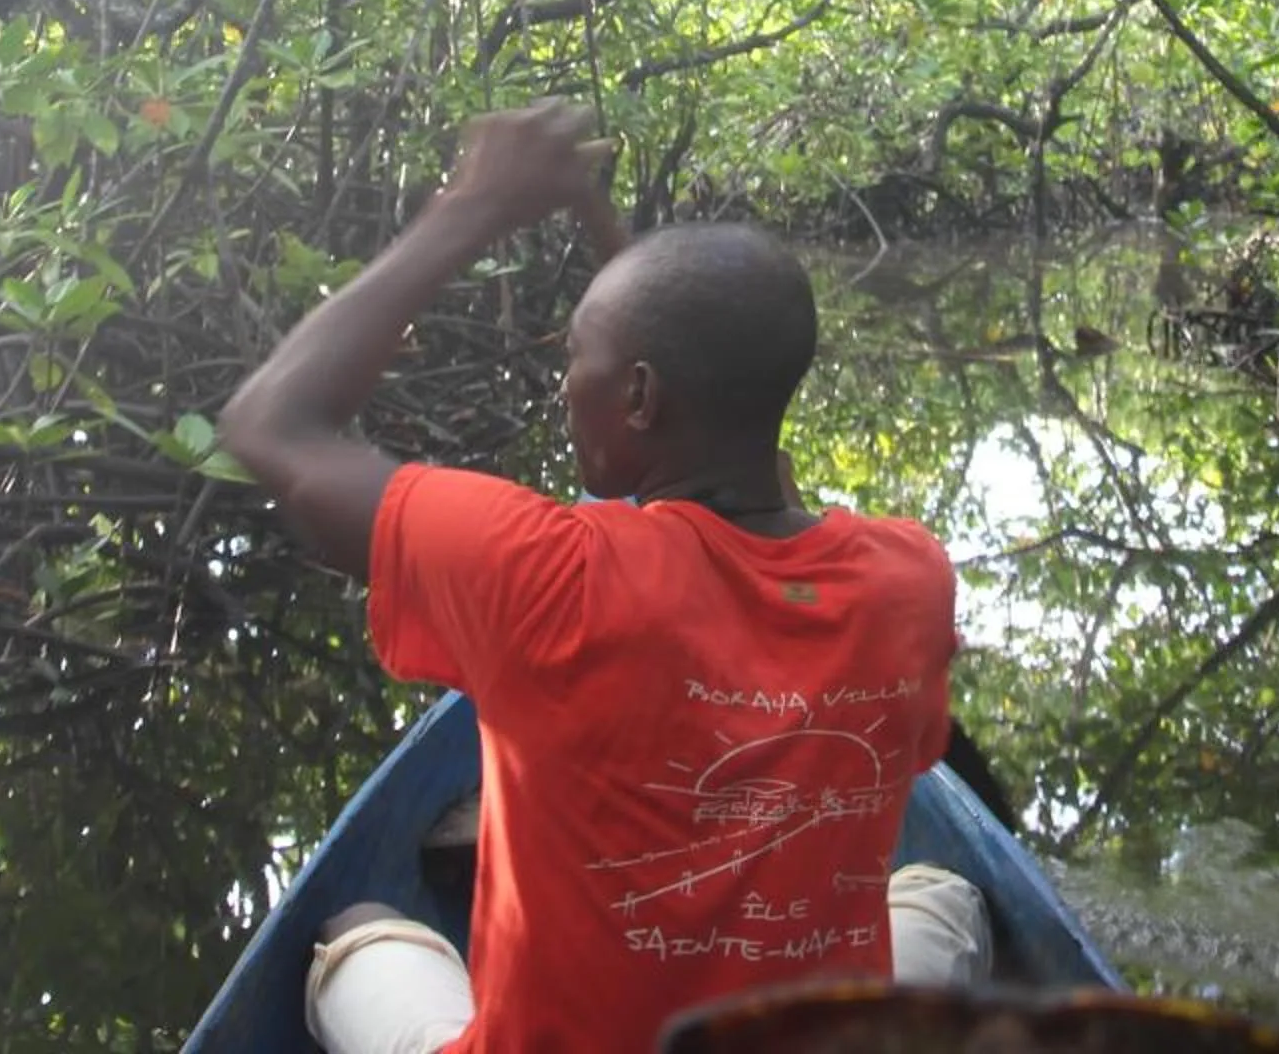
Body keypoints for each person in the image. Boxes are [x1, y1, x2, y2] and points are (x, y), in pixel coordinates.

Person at [218, 103, 990, 1054]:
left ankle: (355, 945)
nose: (561, 381)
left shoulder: (542, 577)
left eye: (574, 360)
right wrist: (625, 280)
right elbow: (729, 464)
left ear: (637, 396)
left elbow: (271, 429)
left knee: (355, 932)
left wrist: (470, 209)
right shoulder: (906, 580)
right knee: (942, 892)